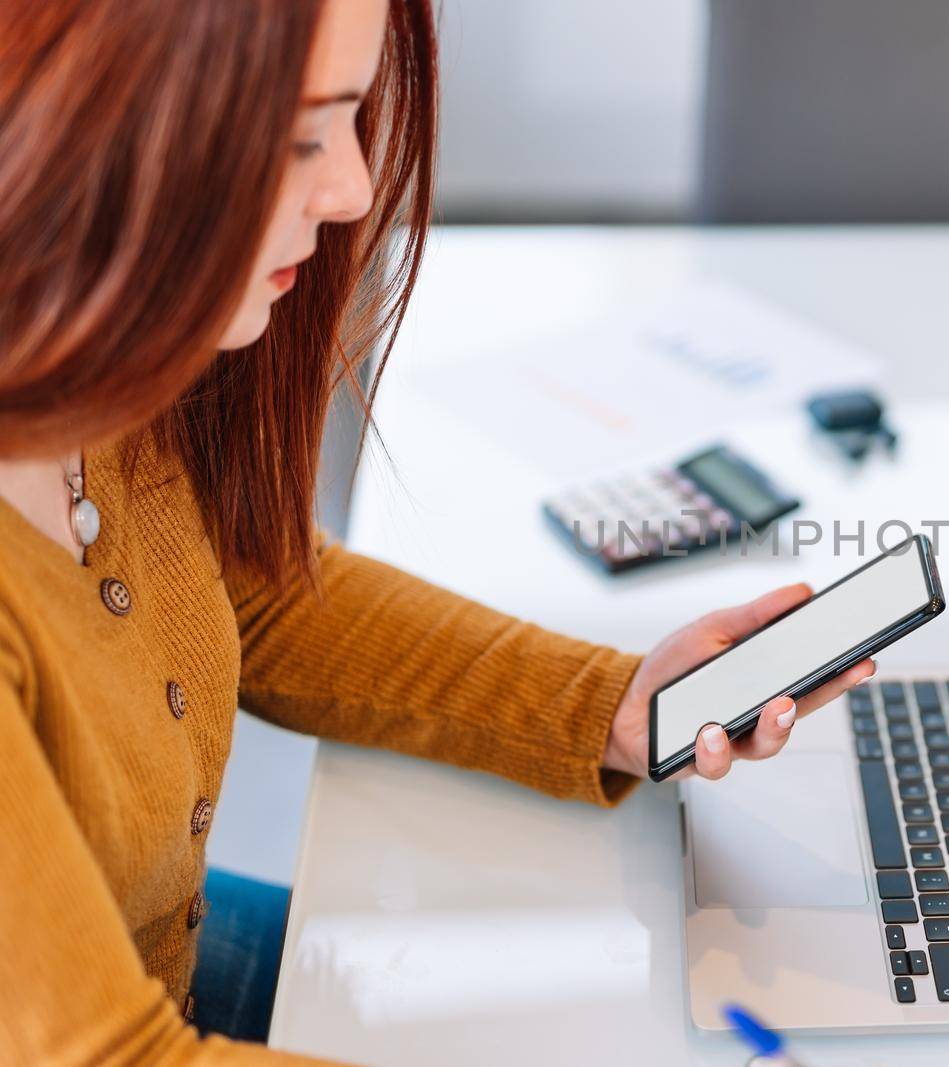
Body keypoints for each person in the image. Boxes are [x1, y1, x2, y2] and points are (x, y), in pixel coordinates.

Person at [0, 1, 874, 1062]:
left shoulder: (81, 354)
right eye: (296, 136)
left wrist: (608, 703)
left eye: (349, 118)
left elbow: (243, 581)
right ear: (82, 124)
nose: (356, 188)